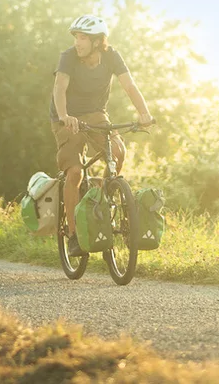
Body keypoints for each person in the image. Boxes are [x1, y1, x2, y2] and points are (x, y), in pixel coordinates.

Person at [51, 15, 154, 257]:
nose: (78, 42)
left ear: (98, 41)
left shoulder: (111, 56)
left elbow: (129, 85)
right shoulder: (68, 57)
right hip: (67, 117)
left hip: (96, 114)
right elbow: (59, 88)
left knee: (117, 151)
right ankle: (74, 235)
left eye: (83, 37)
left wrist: (144, 113)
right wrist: (65, 116)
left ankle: (102, 196)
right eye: (76, 37)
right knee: (75, 171)